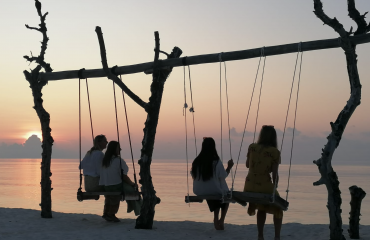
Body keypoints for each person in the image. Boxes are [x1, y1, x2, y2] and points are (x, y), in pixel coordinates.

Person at [243, 125, 283, 240]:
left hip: (249, 185)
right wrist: (275, 187)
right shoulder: (274, 152)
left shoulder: (252, 147)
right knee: (278, 207)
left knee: (261, 207)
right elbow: (275, 174)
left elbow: (247, 165)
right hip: (264, 184)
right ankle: (277, 237)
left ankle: (260, 235)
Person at [191, 137, 234, 230]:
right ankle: (221, 219)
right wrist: (229, 167)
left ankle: (215, 218)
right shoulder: (216, 162)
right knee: (226, 194)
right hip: (213, 190)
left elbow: (193, 175)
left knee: (215, 190)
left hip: (199, 190)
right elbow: (223, 175)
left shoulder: (196, 161)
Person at [99, 141, 141, 222]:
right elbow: (124, 176)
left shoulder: (104, 161)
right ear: (115, 149)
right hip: (115, 185)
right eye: (119, 148)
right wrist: (133, 184)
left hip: (105, 186)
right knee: (116, 197)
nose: (120, 149)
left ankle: (106, 213)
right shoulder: (119, 161)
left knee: (108, 198)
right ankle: (111, 214)